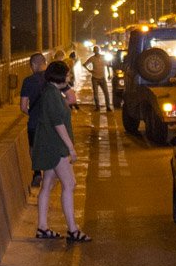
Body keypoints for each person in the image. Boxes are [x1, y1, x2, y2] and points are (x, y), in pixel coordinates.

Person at [33, 61, 91, 242]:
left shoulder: (52, 92)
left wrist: (66, 86)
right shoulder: (51, 95)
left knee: (48, 185)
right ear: (59, 76)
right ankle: (73, 230)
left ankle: (42, 227)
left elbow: (71, 99)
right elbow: (58, 124)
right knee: (70, 184)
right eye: (67, 74)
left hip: (49, 144)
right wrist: (71, 148)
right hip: (55, 146)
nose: (69, 76)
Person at [20, 51, 47, 188]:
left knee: (33, 147)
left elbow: (23, 107)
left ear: (33, 65)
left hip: (34, 122)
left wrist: (32, 113)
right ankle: (49, 174)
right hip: (51, 123)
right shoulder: (51, 79)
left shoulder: (28, 81)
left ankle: (37, 172)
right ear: (45, 63)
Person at [83, 46, 111, 111]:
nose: (96, 51)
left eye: (97, 50)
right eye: (95, 50)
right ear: (94, 51)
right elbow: (84, 64)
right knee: (96, 94)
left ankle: (108, 107)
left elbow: (107, 65)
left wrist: (109, 74)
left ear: (99, 50)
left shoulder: (103, 57)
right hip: (95, 78)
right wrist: (90, 70)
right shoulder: (92, 58)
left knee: (106, 93)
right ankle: (97, 107)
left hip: (102, 78)